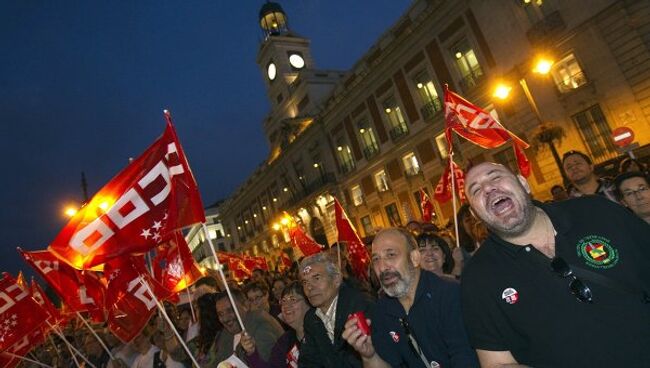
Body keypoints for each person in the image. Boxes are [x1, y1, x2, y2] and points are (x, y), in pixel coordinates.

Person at [461, 162, 650, 367]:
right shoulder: (477, 277)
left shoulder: (596, 211)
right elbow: (497, 363)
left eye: (495, 177)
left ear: (524, 184)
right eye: (476, 189)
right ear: (475, 214)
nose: (488, 188)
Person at [342, 228, 478, 367]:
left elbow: (466, 357)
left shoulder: (450, 296)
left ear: (414, 258)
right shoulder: (382, 312)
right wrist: (369, 356)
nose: (382, 267)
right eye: (376, 259)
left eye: (391, 255)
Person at [298, 252, 373, 368]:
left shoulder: (359, 306)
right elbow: (308, 361)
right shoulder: (311, 319)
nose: (309, 287)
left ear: (336, 279)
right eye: (305, 282)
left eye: (316, 278)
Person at [240, 281, 311, 367]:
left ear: (309, 302)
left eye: (293, 299)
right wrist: (252, 352)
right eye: (283, 301)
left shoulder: (321, 336)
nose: (286, 305)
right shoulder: (285, 341)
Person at [209, 288, 284, 365]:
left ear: (246, 305)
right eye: (220, 314)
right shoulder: (225, 334)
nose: (225, 318)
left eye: (230, 310)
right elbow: (219, 362)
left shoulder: (260, 324)